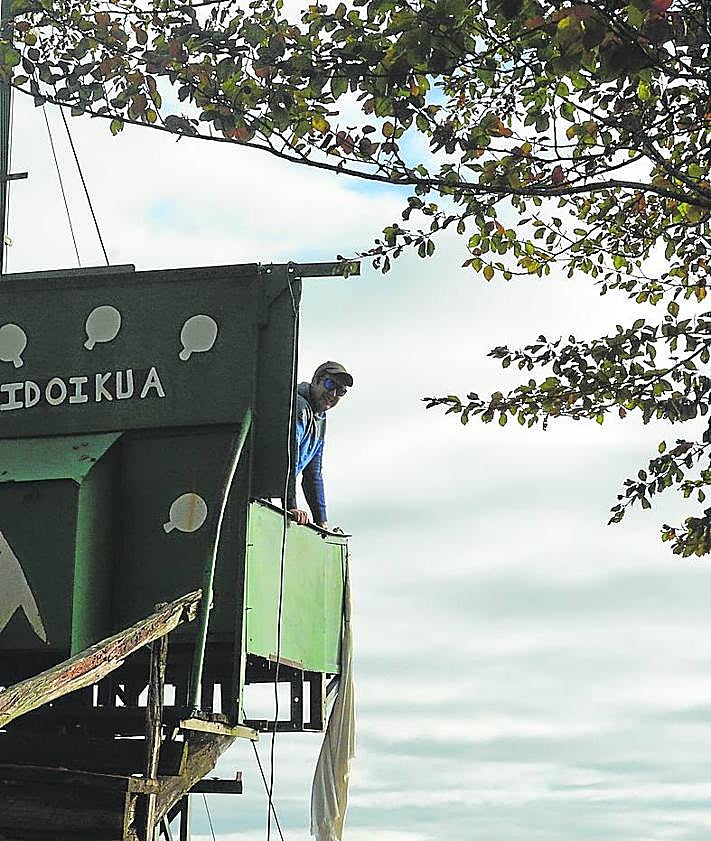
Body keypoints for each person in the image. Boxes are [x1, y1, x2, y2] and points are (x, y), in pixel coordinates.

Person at [288, 361, 353, 530]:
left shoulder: (320, 419)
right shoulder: (298, 407)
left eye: (341, 391)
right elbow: (286, 458)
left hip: (273, 487)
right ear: (316, 380)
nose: (333, 394)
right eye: (330, 384)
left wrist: (321, 521)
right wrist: (291, 506)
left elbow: (313, 475)